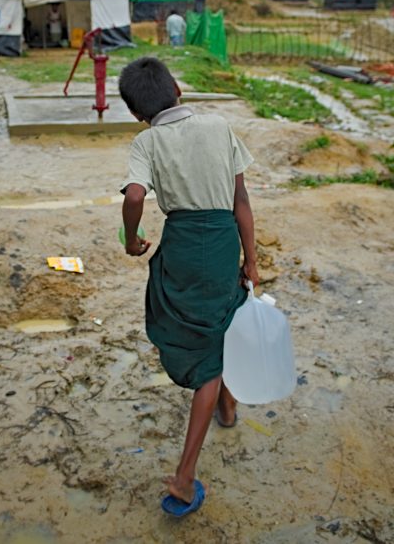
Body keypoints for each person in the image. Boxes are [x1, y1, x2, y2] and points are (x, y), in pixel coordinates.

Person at [119, 57, 258, 517]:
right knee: (218, 332)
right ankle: (190, 466)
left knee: (206, 341)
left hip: (179, 244)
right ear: (178, 88)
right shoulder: (219, 126)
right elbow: (241, 201)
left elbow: (135, 196)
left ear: (136, 112)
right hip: (221, 243)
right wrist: (252, 261)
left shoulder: (146, 140)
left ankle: (223, 412)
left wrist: (133, 239)